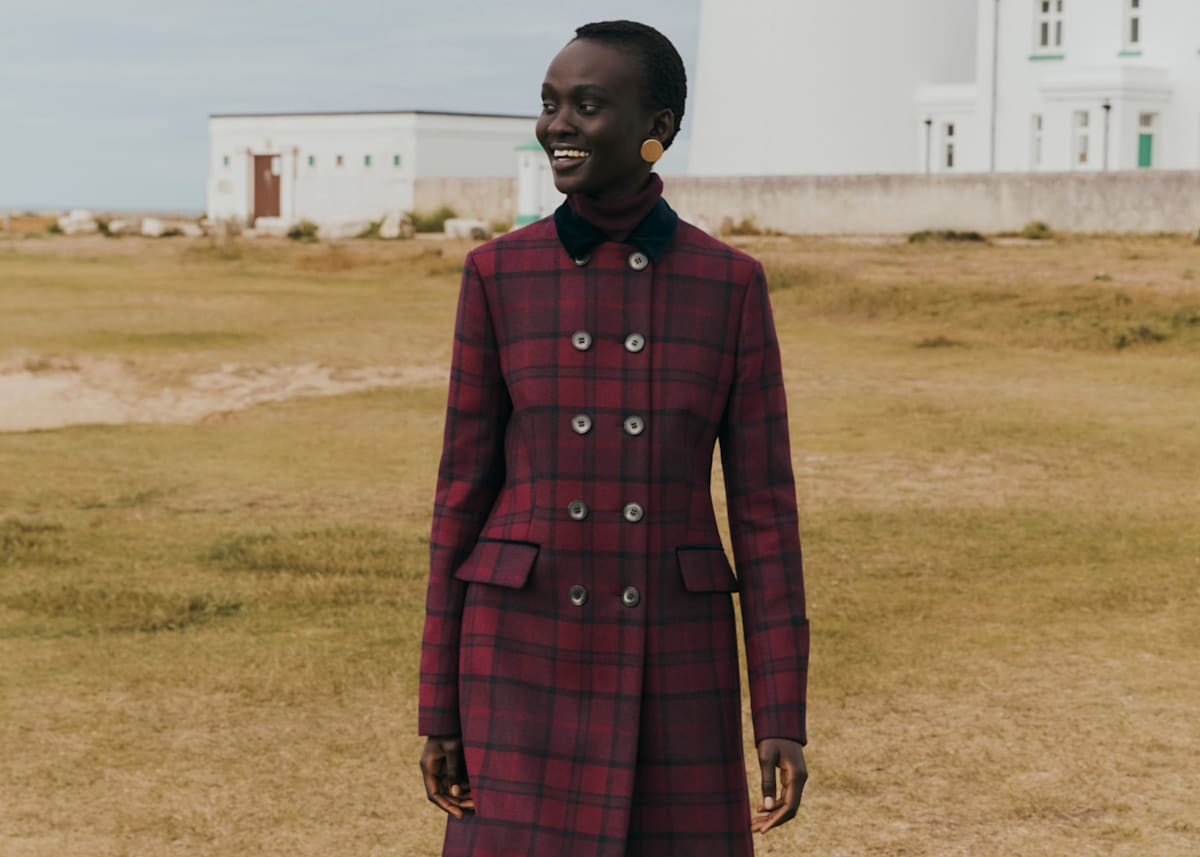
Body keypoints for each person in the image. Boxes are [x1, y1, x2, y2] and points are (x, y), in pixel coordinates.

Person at [418, 20, 809, 857]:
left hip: (672, 654)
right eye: (550, 104)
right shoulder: (497, 274)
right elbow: (461, 495)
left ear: (656, 127)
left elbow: (765, 513)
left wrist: (781, 712)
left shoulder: (730, 284)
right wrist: (438, 706)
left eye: (588, 105)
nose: (558, 125)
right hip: (519, 652)